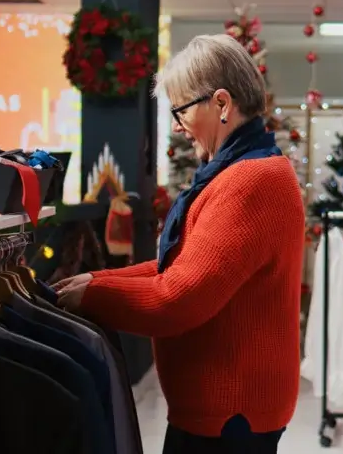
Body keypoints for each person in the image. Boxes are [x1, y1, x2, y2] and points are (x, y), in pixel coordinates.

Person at [55, 34, 305, 454]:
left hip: (230, 416)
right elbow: (178, 267)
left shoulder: (251, 181)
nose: (175, 125)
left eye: (181, 109)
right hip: (224, 410)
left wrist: (93, 294)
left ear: (222, 104)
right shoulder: (237, 173)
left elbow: (177, 299)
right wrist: (94, 280)